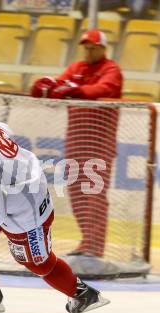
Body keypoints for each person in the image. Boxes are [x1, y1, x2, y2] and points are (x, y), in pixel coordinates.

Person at [0, 95, 110, 313]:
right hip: (19, 192)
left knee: (38, 263)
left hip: (25, 210)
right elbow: (4, 132)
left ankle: (83, 294)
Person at [31, 29, 123, 257]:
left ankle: (95, 246)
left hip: (100, 142)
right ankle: (86, 241)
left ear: (103, 48)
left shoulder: (111, 69)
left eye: (93, 47)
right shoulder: (76, 68)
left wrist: (76, 89)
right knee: (76, 191)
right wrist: (48, 86)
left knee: (94, 193)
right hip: (77, 139)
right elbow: (61, 84)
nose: (89, 52)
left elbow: (105, 89)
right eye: (86, 48)